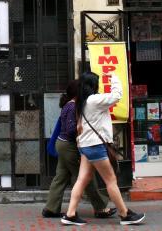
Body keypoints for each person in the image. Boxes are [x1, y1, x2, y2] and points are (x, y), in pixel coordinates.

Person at [62, 72, 145, 226]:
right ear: (93, 85)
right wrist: (114, 77)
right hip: (95, 146)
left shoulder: (82, 102)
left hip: (85, 146)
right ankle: (124, 214)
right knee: (111, 180)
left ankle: (70, 214)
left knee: (82, 179)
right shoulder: (93, 100)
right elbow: (116, 96)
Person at [42, 80, 116, 219]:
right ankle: (100, 208)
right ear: (78, 92)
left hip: (62, 144)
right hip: (69, 147)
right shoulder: (72, 106)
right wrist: (81, 130)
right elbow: (71, 130)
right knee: (86, 177)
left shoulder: (67, 105)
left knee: (61, 177)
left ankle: (51, 208)